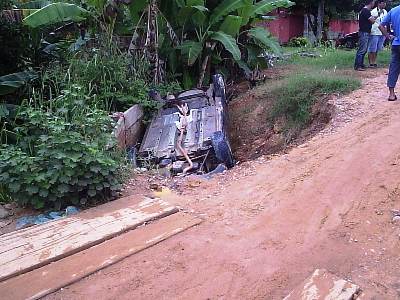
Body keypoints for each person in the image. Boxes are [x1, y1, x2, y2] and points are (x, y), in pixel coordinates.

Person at [379, 5, 400, 101]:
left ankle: (391, 95)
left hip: (396, 43)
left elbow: (380, 26)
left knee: (394, 68)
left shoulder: (393, 10)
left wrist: (388, 36)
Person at [354, 0, 377, 71]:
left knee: (364, 49)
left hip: (364, 32)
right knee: (362, 49)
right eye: (373, 2)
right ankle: (358, 66)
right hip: (364, 32)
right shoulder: (366, 11)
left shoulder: (364, 11)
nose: (374, 3)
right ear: (371, 2)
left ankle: (360, 64)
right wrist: (374, 18)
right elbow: (372, 21)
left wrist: (373, 18)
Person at [368, 1, 388, 68]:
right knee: (372, 48)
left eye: (385, 3)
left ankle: (374, 61)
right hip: (375, 31)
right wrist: (378, 14)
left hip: (382, 32)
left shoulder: (385, 11)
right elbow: (371, 21)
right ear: (379, 3)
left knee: (377, 48)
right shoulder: (373, 11)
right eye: (383, 2)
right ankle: (371, 62)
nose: (385, 4)